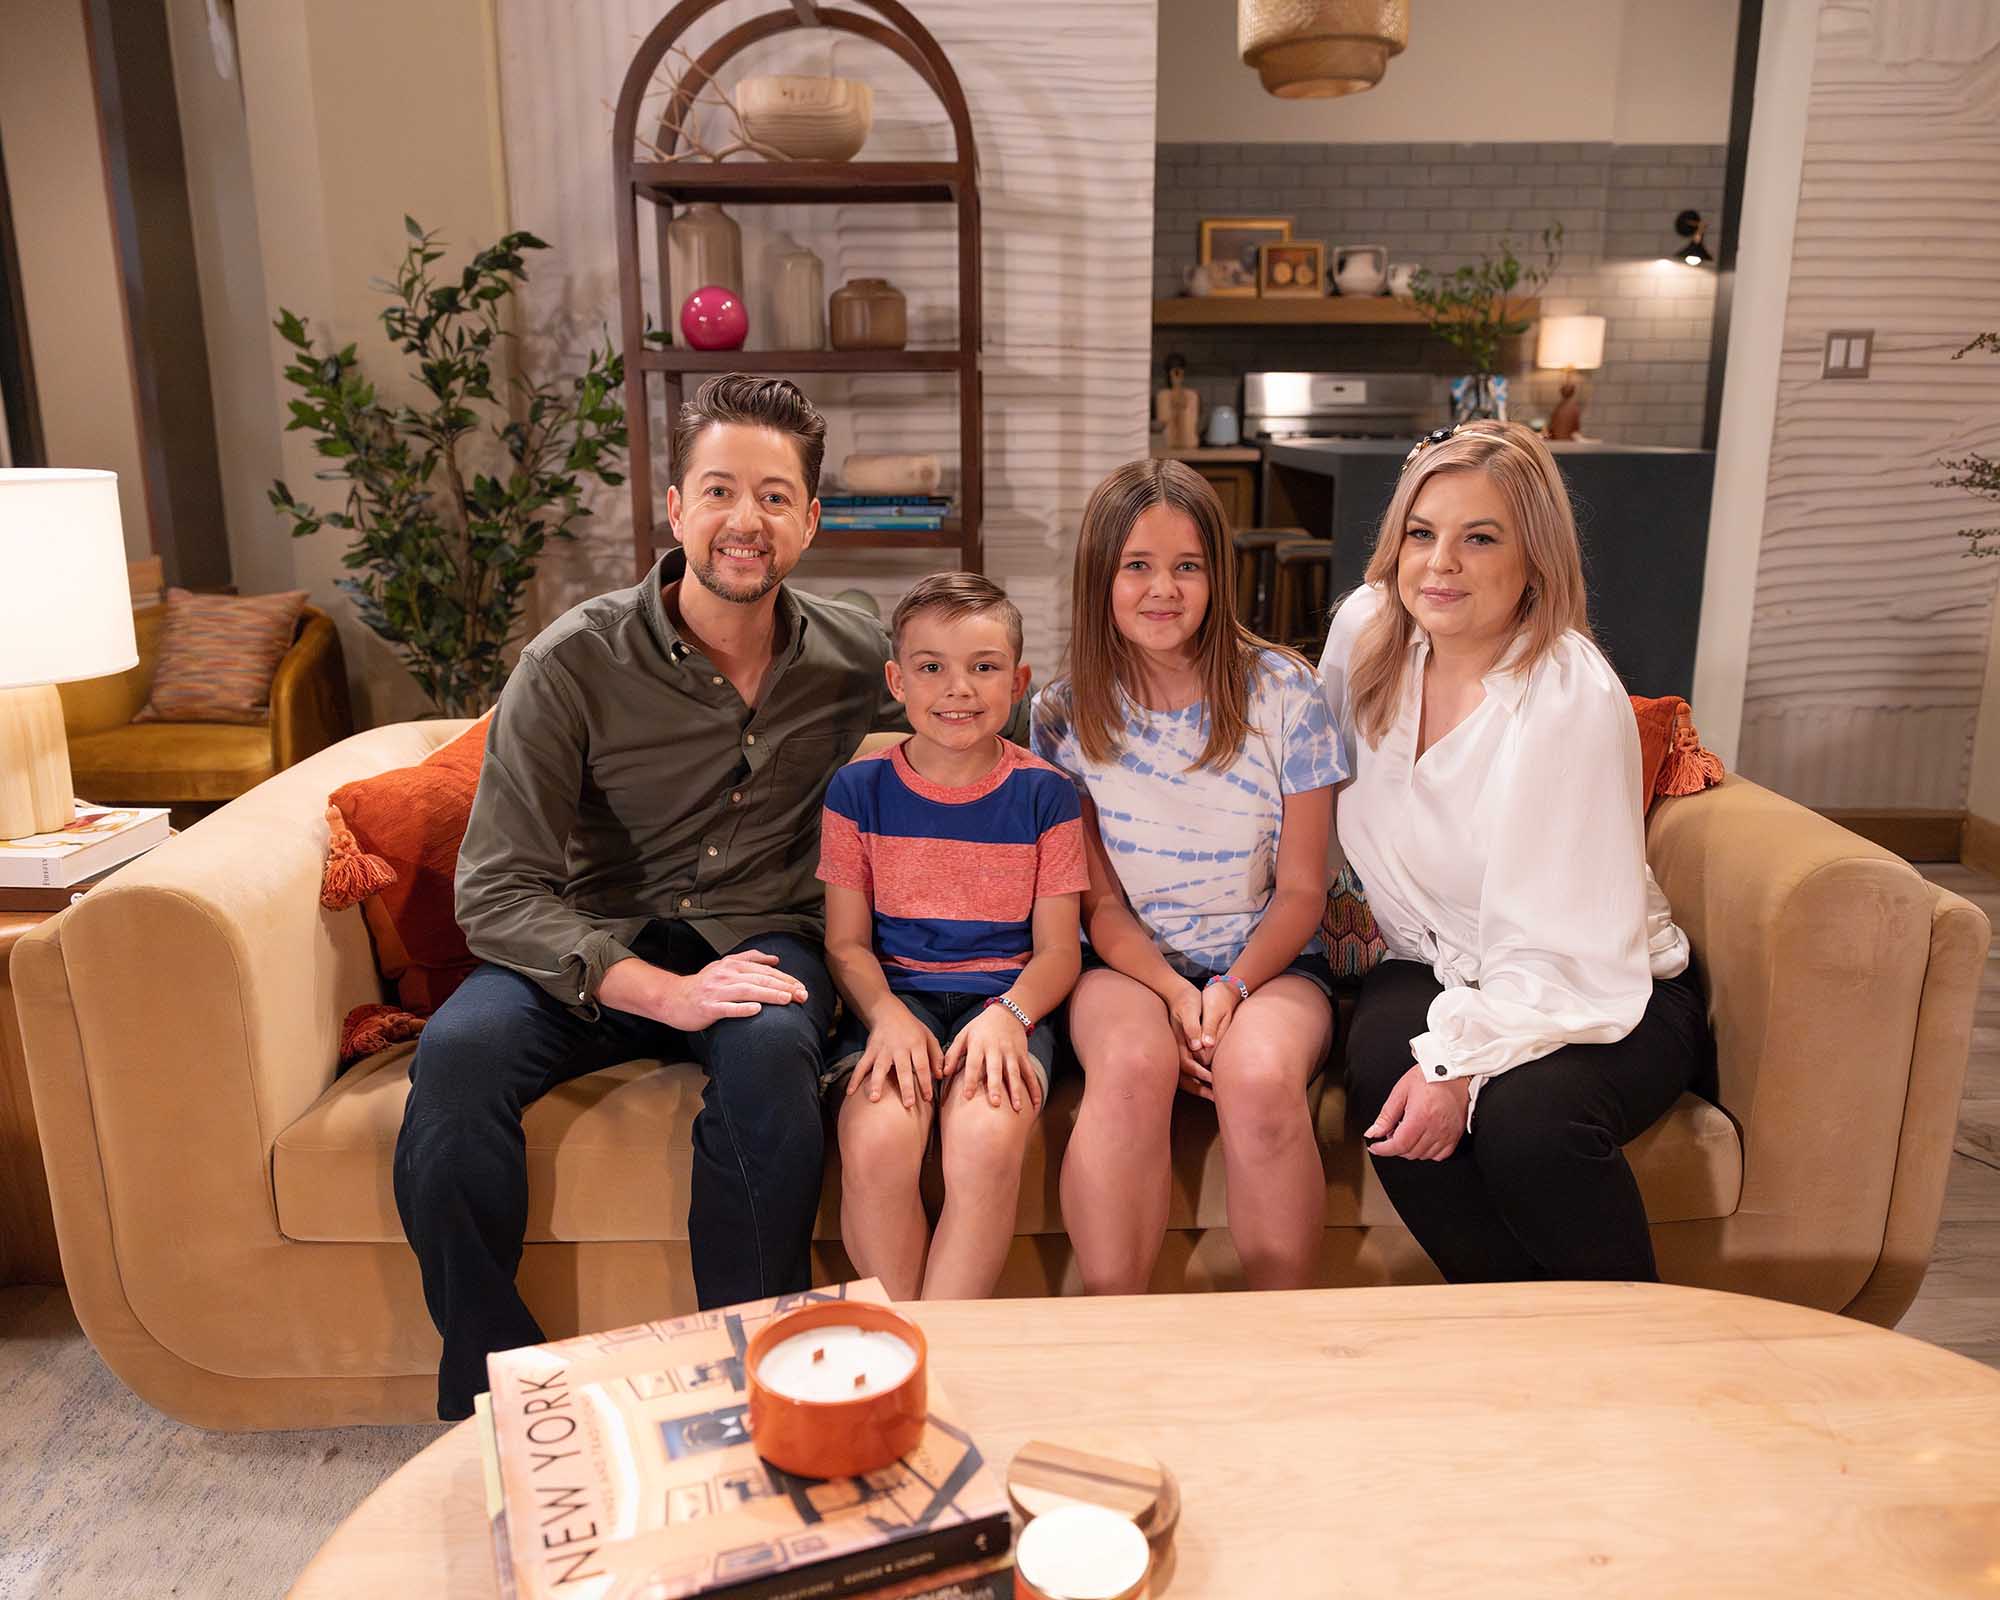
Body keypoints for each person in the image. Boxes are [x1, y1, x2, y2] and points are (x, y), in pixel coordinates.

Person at [394, 374, 901, 1420]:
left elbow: (983, 697)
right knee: (456, 1061)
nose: (745, 519)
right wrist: (662, 993)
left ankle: (758, 1378)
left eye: (773, 496)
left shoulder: (855, 653)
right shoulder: (571, 661)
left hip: (762, 931)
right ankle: (498, 1387)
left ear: (810, 521)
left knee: (771, 1054)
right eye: (719, 491)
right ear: (674, 508)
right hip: (593, 939)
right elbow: (495, 887)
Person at [1319, 420, 1712, 1284]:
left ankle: (1638, 1345)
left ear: (1535, 558)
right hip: (1437, 961)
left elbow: (1560, 941)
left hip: (1594, 981)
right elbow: (1298, 782)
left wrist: (1458, 1065)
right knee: (1385, 1079)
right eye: (1421, 534)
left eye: (1480, 538)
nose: (1440, 564)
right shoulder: (1368, 631)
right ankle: (1510, 1331)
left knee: (1529, 1125)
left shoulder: (1568, 693)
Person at [1032, 459, 1347, 1294]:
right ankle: (1119, 1331)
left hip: (1271, 963)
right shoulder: (1061, 715)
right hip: (1127, 967)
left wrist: (1233, 988)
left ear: (1218, 576)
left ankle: (1279, 1332)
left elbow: (1303, 889)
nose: (1162, 589)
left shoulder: (1286, 691)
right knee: (1130, 1066)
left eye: (1187, 566)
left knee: (1259, 1076)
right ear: (1100, 577)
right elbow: (1099, 903)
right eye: (1136, 565)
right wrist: (1175, 993)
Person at [819, 572, 1086, 1300]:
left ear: (1018, 683)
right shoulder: (857, 790)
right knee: (876, 1143)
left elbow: (1059, 950)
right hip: (894, 1001)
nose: (958, 688)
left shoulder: (1047, 795)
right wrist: (885, 1016)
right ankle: (907, 1339)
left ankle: (943, 1345)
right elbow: (846, 944)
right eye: (931, 667)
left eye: (984, 666)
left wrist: (1010, 1016)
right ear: (897, 682)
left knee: (986, 1140)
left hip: (1005, 1005)